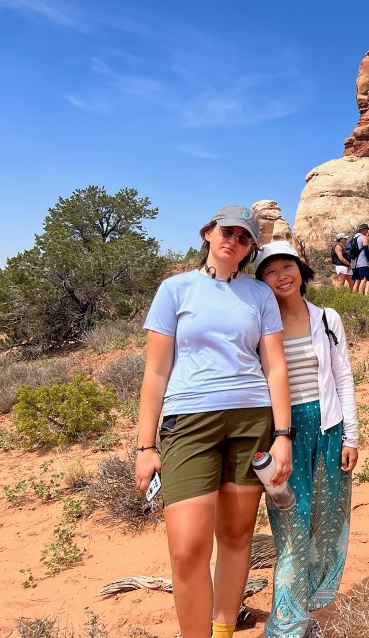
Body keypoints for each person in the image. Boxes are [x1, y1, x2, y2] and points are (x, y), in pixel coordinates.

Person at [135, 205, 292, 638]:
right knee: (187, 549)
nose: (234, 241)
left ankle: (222, 630)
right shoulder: (174, 289)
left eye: (245, 238)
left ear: (250, 249)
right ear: (208, 232)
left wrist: (283, 435)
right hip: (188, 422)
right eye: (228, 231)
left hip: (251, 420)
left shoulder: (259, 295)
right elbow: (155, 371)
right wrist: (146, 446)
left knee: (237, 535)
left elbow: (275, 366)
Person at [253, 241, 359, 636]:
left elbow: (343, 376)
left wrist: (352, 436)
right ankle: (284, 626)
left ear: (302, 270)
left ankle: (299, 612)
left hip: (329, 431)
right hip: (283, 435)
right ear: (261, 280)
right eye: (269, 270)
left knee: (324, 525)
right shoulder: (260, 323)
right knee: (293, 529)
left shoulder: (327, 318)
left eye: (287, 266)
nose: (281, 276)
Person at [350, 223, 369, 294]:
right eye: (367, 230)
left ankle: (354, 297)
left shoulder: (353, 238)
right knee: (364, 279)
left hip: (354, 263)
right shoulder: (363, 237)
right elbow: (366, 251)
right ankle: (360, 297)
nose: (367, 232)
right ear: (364, 230)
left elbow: (348, 248)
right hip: (362, 262)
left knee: (357, 280)